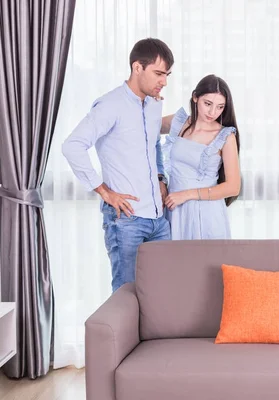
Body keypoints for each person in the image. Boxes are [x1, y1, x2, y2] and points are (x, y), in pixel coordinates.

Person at [62, 38, 174, 292]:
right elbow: (72, 145)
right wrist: (105, 192)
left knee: (163, 295)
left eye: (166, 74)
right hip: (126, 220)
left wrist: (160, 177)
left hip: (159, 219)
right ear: (137, 68)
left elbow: (153, 142)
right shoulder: (110, 105)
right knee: (126, 295)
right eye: (158, 73)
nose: (164, 81)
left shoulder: (154, 104)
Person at [160, 74, 241, 240]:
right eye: (208, 104)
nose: (213, 112)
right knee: (174, 263)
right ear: (195, 97)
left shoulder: (225, 136)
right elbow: (142, 127)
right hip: (174, 209)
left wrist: (187, 194)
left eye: (220, 107)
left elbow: (233, 187)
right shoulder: (179, 122)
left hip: (206, 213)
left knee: (204, 264)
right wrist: (159, 178)